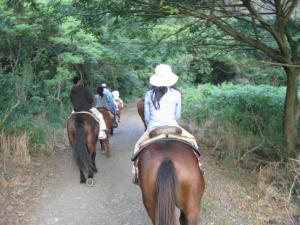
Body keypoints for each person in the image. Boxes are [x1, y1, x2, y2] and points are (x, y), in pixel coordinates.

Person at [132, 64, 198, 184]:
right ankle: (200, 168)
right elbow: (177, 116)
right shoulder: (177, 94)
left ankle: (136, 175)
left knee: (137, 147)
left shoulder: (149, 95)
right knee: (193, 141)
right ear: (170, 79)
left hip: (153, 129)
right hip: (173, 128)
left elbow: (147, 117)